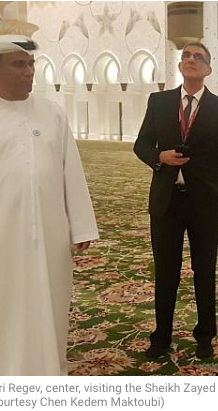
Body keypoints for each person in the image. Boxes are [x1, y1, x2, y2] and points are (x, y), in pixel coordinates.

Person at [134, 42, 218, 359]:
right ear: (180, 65)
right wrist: (160, 157)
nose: (190, 60)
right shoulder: (159, 102)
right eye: (186, 56)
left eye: (198, 57)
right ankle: (161, 336)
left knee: (204, 270)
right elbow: (141, 145)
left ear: (208, 69)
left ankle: (205, 335)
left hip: (205, 204)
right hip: (166, 201)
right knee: (165, 270)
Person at [0, 35, 99, 375]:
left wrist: (81, 225)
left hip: (51, 230)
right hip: (5, 233)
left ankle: (48, 369)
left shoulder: (52, 112)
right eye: (18, 64)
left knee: (52, 298)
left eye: (31, 64)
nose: (29, 71)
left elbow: (71, 169)